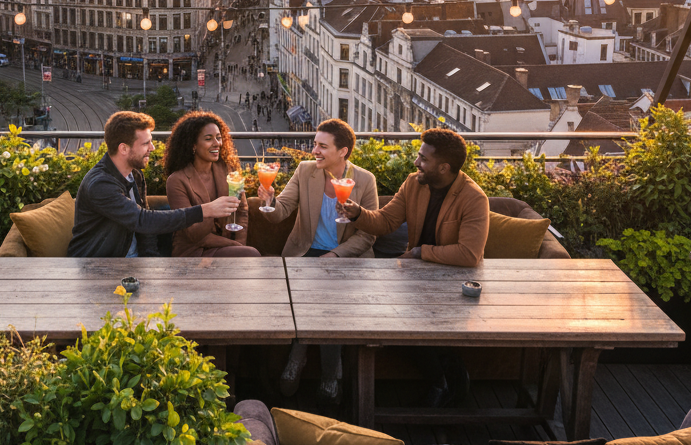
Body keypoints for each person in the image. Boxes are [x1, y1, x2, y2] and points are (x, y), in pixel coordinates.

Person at [338, 127, 491, 407]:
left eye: (423, 159)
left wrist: (421, 252)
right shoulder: (413, 184)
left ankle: (441, 381)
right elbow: (385, 222)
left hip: (453, 282)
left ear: (444, 167)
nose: (416, 162)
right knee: (386, 317)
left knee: (406, 320)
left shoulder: (473, 198)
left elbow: (470, 254)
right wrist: (357, 213)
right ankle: (448, 377)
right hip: (416, 278)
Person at [261, 118, 378, 402]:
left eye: (323, 146)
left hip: (345, 256)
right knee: (315, 298)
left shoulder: (364, 180)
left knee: (330, 305)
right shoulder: (305, 171)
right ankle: (319, 368)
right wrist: (268, 201)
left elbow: (368, 234)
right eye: (315, 144)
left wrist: (335, 255)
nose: (315, 150)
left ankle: (313, 365)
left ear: (343, 151)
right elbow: (282, 210)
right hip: (305, 253)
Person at [69, 111, 240, 258]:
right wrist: (205, 210)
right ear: (123, 149)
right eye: (145, 143)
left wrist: (151, 260)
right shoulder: (100, 185)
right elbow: (142, 220)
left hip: (131, 262)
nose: (152, 148)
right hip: (97, 265)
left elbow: (145, 228)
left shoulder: (134, 174)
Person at [164, 112, 260, 258]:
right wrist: (232, 244)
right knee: (251, 255)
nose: (217, 143)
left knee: (247, 254)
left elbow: (242, 210)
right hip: (194, 251)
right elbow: (193, 233)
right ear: (193, 145)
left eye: (219, 137)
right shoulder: (177, 181)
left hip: (226, 246)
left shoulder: (228, 170)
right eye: (209, 139)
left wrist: (240, 243)